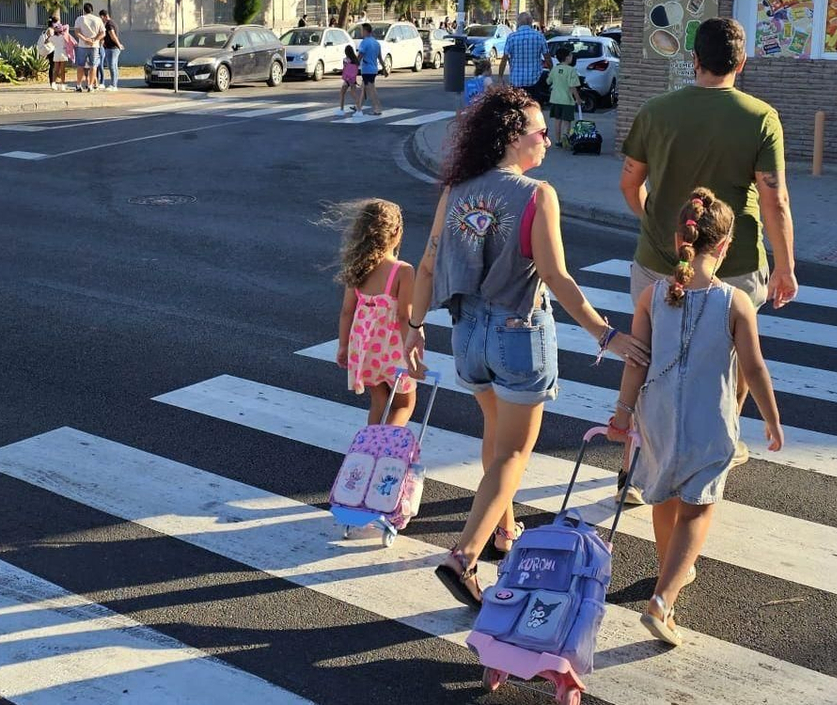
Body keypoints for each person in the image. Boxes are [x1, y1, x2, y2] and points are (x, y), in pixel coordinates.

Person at [403, 86, 648, 608]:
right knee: (514, 450)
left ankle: (503, 529)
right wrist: (605, 333)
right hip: (519, 332)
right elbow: (556, 276)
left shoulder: (456, 190)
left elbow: (426, 265)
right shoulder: (537, 195)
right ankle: (463, 556)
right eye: (540, 132)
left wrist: (413, 326)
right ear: (514, 138)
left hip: (466, 331)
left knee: (495, 434)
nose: (548, 143)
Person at [616, 17, 798, 503]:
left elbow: (629, 183)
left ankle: (638, 464)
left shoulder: (655, 111)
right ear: (741, 63)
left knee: (647, 358)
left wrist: (655, 223)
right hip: (732, 262)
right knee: (729, 360)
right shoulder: (761, 117)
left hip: (658, 258)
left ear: (693, 60)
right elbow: (775, 200)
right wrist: (784, 266)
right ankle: (722, 442)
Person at [606, 188, 783, 648]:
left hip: (657, 413)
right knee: (698, 507)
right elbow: (754, 367)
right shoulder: (734, 301)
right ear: (724, 247)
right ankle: (662, 600)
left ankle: (671, 572)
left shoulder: (652, 294)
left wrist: (622, 414)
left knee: (663, 497)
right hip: (710, 417)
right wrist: (771, 419)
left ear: (677, 238)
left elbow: (636, 361)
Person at [331, 199, 418, 427]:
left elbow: (347, 311)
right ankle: (387, 452)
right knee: (403, 404)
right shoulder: (403, 271)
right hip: (394, 348)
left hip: (367, 347)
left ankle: (370, 451)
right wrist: (411, 351)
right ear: (397, 232)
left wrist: (343, 346)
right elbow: (403, 316)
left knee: (379, 403)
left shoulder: (360, 268)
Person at [500, 12, 545, 101]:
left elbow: (504, 58)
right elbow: (547, 56)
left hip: (516, 81)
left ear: (519, 22)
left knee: (517, 107)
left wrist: (500, 77)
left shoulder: (511, 37)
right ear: (531, 22)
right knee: (533, 107)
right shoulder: (539, 36)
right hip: (535, 80)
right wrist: (552, 71)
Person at [546, 43, 580, 146]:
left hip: (555, 99)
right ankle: (566, 138)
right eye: (570, 55)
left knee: (557, 120)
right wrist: (578, 98)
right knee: (567, 121)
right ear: (567, 58)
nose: (572, 57)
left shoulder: (554, 69)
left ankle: (557, 140)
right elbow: (572, 86)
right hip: (567, 100)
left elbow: (548, 81)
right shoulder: (571, 70)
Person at [72, 2, 105, 92]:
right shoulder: (98, 20)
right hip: (94, 46)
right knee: (93, 66)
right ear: (92, 10)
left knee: (80, 65)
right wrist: (94, 40)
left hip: (83, 45)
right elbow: (103, 33)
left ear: (84, 10)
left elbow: (77, 32)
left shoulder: (79, 19)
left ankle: (79, 85)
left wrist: (85, 39)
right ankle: (91, 85)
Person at [356, 23, 383, 116]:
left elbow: (360, 55)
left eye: (361, 30)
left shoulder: (364, 42)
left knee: (371, 89)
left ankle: (377, 108)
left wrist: (354, 65)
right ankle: (358, 107)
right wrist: (385, 69)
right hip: (374, 69)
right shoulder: (376, 43)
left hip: (367, 69)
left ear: (365, 31)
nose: (361, 32)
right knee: (364, 88)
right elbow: (380, 57)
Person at [99, 9, 124, 90]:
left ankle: (113, 85)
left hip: (112, 48)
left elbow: (112, 35)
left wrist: (118, 44)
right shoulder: (112, 23)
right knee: (114, 66)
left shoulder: (109, 24)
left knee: (112, 66)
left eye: (101, 18)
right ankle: (114, 84)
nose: (101, 20)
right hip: (113, 48)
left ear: (104, 16)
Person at [337, 44, 362, 115]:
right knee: (354, 94)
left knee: (342, 93)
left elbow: (345, 69)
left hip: (347, 79)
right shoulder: (355, 60)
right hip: (353, 79)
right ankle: (359, 110)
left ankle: (341, 110)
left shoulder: (345, 60)